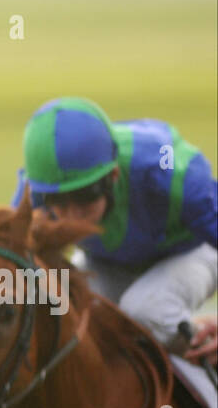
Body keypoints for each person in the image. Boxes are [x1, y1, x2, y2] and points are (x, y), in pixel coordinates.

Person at [12, 96, 217, 366]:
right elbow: (10, 266)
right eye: (58, 201)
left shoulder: (170, 173)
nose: (71, 217)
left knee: (146, 309)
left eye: (86, 195)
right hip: (108, 262)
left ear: (114, 176)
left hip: (191, 252)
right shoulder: (35, 192)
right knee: (64, 313)